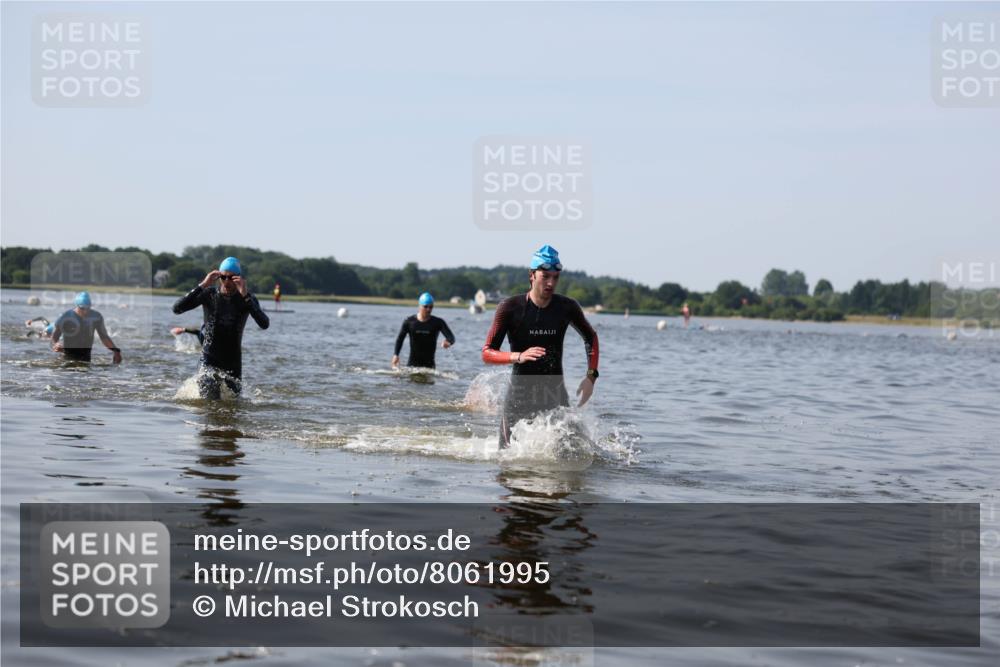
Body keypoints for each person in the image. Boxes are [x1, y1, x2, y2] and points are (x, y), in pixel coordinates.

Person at [481, 245, 599, 449]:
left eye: (555, 277)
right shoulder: (509, 308)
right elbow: (487, 352)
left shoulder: (567, 307)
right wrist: (518, 356)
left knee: (571, 457)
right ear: (532, 276)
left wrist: (591, 376)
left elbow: (591, 336)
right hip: (519, 394)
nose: (551, 283)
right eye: (545, 276)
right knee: (507, 461)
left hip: (555, 393)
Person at [171, 256, 269, 399]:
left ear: (239, 278)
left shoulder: (247, 299)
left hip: (233, 361)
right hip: (209, 358)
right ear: (219, 277)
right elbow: (177, 308)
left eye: (232, 278)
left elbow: (264, 324)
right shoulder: (209, 294)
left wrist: (246, 296)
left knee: (233, 407)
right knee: (209, 401)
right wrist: (202, 285)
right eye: (223, 277)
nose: (227, 281)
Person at [51, 292, 122, 363]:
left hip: (86, 359)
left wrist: (115, 350)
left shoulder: (96, 317)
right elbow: (54, 336)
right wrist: (55, 344)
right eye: (82, 308)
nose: (85, 311)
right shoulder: (66, 316)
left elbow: (104, 337)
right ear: (77, 306)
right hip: (67, 358)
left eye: (87, 308)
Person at [392, 292, 455, 369]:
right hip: (412, 366)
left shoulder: (438, 322)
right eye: (425, 306)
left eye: (431, 307)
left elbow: (451, 337)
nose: (428, 309)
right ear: (419, 306)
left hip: (430, 367)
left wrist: (448, 342)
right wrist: (396, 355)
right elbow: (400, 339)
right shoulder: (409, 322)